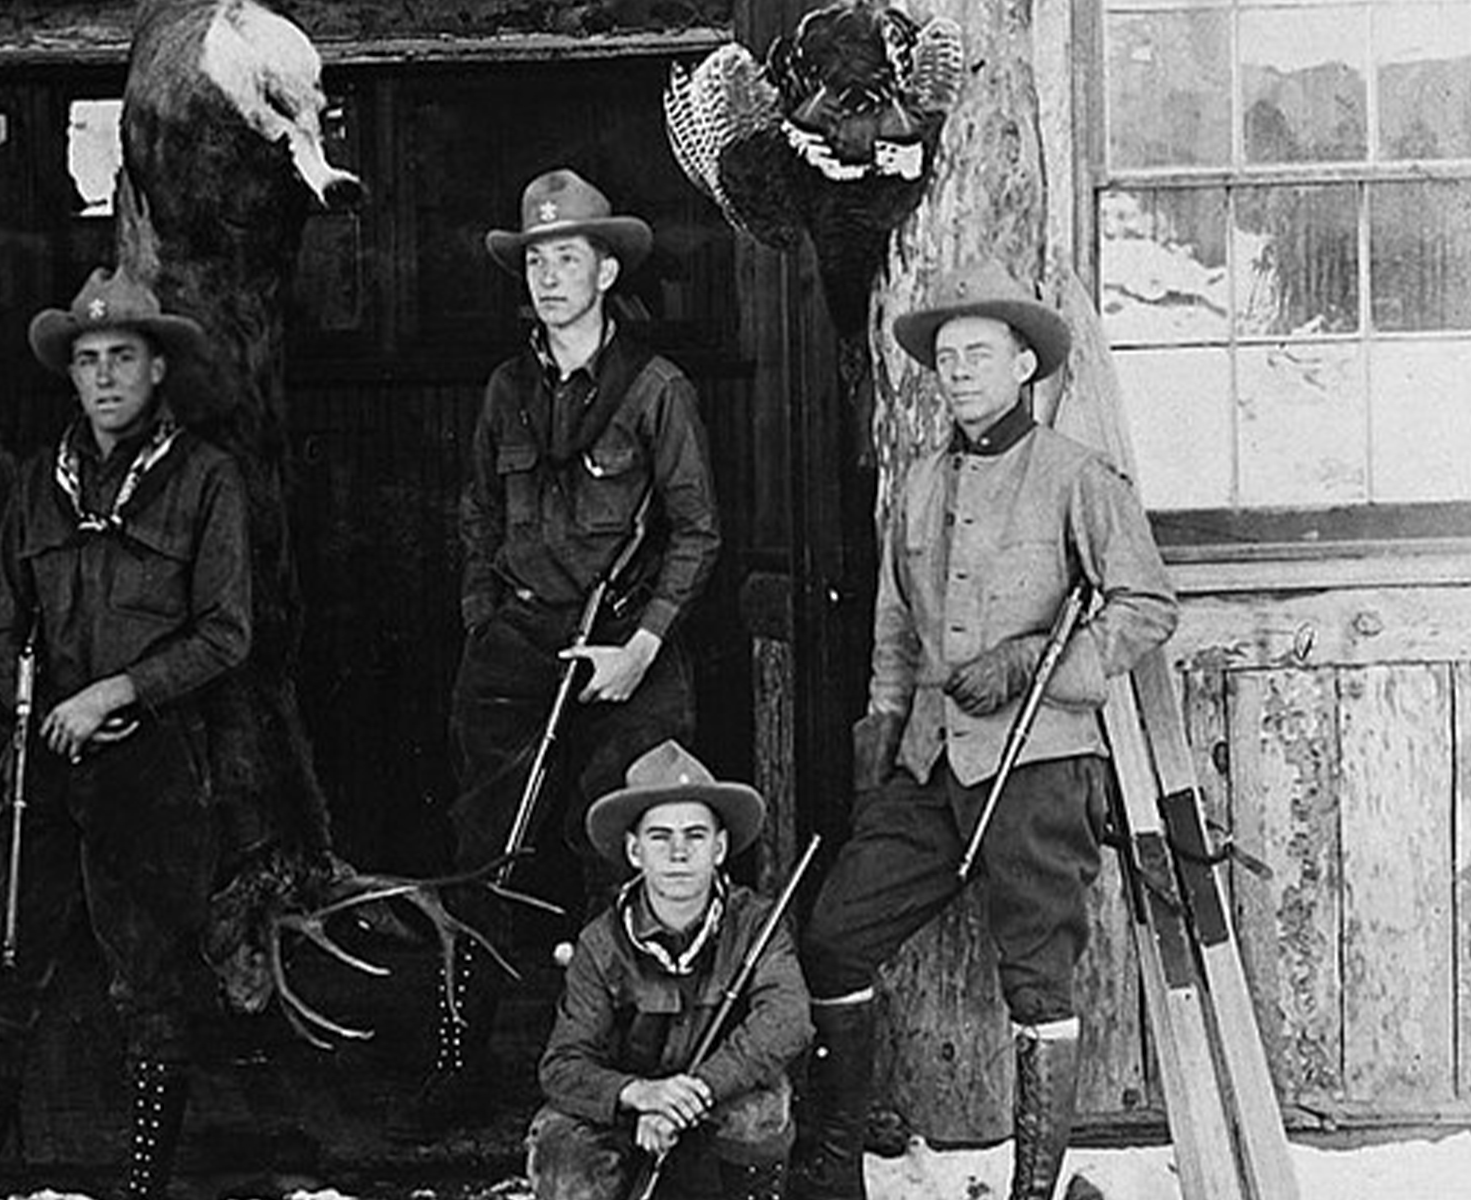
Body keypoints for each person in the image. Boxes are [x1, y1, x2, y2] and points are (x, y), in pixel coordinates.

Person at [789, 261, 1177, 1200]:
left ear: (1023, 366)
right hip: (929, 762)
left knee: (1037, 985)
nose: (960, 372)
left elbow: (1146, 604)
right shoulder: (918, 483)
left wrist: (1041, 660)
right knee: (836, 936)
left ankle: (1032, 1192)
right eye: (947, 357)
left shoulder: (1076, 477)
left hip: (1041, 762)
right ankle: (836, 1168)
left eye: (980, 354)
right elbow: (892, 623)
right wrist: (883, 725)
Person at [402, 168, 723, 1142]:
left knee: (616, 868)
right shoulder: (507, 389)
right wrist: (482, 617)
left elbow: (697, 530)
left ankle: (622, 1087)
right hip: (515, 648)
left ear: (607, 265)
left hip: (625, 653)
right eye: (536, 259)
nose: (549, 276)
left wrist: (642, 645)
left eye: (567, 257)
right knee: (479, 866)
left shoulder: (655, 389)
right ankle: (459, 1070)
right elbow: (475, 512)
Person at [0, 268, 253, 1200]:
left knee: (150, 990)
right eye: (87, 361)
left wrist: (117, 694)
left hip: (152, 763)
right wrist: (34, 710)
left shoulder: (204, 481)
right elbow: (5, 619)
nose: (105, 376)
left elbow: (228, 631)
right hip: (43, 765)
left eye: (123, 358)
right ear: (70, 377)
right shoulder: (41, 484)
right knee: (0, 978)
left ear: (157, 370)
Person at [529, 741, 809, 1200]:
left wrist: (693, 1091)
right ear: (635, 851)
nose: (679, 853)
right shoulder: (600, 943)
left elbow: (787, 1022)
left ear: (719, 848)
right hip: (628, 1114)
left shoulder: (758, 924)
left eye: (695, 836)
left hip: (718, 1098)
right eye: (660, 837)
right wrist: (640, 1094)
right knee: (559, 1154)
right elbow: (562, 1066)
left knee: (761, 1114)